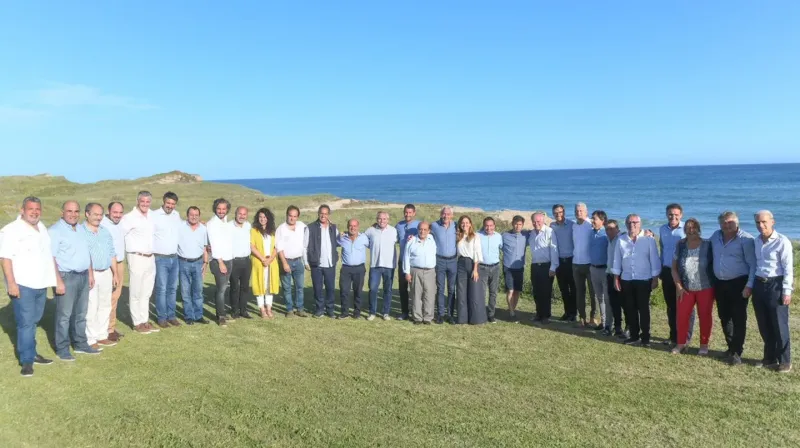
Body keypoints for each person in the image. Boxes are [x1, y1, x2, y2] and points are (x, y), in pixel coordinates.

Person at [0, 197, 59, 377]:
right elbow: (5, 258)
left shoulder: (42, 228)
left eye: (37, 209)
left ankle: (32, 353)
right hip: (23, 285)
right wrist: (11, 283)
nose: (34, 212)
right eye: (30, 209)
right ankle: (26, 361)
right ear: (22, 210)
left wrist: (55, 280)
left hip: (40, 284)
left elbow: (48, 256)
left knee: (34, 320)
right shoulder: (11, 230)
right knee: (26, 323)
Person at [50, 200, 102, 359]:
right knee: (64, 316)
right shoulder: (54, 231)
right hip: (66, 277)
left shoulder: (80, 229)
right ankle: (62, 348)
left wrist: (90, 273)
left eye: (76, 211)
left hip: (83, 276)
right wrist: (58, 280)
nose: (73, 214)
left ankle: (80, 344)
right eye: (69, 211)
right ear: (62, 212)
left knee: (81, 313)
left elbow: (87, 253)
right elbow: (50, 257)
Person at [710, 211, 756, 365]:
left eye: (730, 222)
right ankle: (730, 348)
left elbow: (753, 265)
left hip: (739, 283)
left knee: (738, 318)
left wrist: (749, 285)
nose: (727, 225)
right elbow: (703, 246)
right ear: (720, 224)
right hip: (720, 283)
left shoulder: (746, 239)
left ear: (737, 223)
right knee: (724, 316)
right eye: (724, 222)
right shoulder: (715, 236)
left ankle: (737, 352)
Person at [752, 210, 793, 373]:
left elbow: (788, 268)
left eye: (764, 222)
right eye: (758, 222)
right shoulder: (756, 241)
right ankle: (769, 358)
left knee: (779, 324)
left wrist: (786, 290)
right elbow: (754, 265)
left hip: (776, 284)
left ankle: (785, 361)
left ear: (772, 222)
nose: (761, 225)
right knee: (764, 324)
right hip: (759, 284)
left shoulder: (782, 241)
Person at [611, 214, 660, 346]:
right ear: (625, 224)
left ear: (640, 224)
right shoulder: (621, 240)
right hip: (626, 278)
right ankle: (634, 335)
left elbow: (654, 260)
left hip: (644, 279)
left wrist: (655, 278)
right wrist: (616, 278)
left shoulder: (648, 239)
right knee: (630, 308)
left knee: (643, 309)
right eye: (629, 222)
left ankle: (645, 337)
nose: (632, 225)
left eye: (635, 222)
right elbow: (617, 260)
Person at [671, 218, 716, 356]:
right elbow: (673, 268)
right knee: (682, 317)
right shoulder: (680, 245)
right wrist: (678, 286)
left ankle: (703, 345)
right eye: (688, 228)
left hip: (706, 288)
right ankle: (681, 344)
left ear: (699, 229)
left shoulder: (708, 245)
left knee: (705, 317)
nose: (691, 230)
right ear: (684, 230)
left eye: (694, 227)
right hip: (685, 288)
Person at [120, 191, 159, 334]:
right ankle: (137, 322)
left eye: (148, 202)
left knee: (147, 292)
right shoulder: (129, 218)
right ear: (137, 201)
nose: (145, 204)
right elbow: (119, 235)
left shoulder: (152, 216)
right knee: (136, 291)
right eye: (142, 201)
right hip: (136, 257)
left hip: (150, 257)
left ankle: (145, 321)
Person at [82, 203, 120, 348]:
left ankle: (102, 335)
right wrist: (89, 273)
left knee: (105, 305)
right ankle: (90, 338)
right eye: (95, 214)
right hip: (91, 273)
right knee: (92, 306)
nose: (98, 218)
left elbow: (111, 253)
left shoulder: (105, 232)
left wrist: (115, 273)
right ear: (87, 214)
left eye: (100, 215)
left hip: (106, 272)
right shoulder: (81, 231)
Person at [659, 203, 694, 346]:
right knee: (671, 306)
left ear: (681, 215)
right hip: (667, 271)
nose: (673, 217)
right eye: (670, 214)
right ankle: (673, 336)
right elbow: (662, 248)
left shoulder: (688, 229)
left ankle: (685, 338)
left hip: (683, 272)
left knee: (686, 306)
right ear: (666, 214)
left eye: (676, 214)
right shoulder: (662, 229)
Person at [152, 191, 182, 328]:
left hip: (174, 258)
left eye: (173, 204)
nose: (170, 206)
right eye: (168, 203)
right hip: (160, 258)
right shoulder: (154, 215)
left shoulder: (177, 216)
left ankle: (172, 316)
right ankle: (162, 318)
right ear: (163, 202)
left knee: (172, 289)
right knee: (161, 289)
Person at [177, 206, 209, 325]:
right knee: (185, 291)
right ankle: (189, 316)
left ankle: (198, 315)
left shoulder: (203, 229)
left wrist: (205, 263)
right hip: (183, 262)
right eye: (191, 214)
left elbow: (205, 248)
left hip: (198, 262)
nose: (194, 217)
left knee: (198, 291)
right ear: (187, 215)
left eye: (196, 215)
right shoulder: (180, 227)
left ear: (199, 216)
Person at [276, 205, 309, 317]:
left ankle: (300, 308)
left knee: (299, 287)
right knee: (287, 288)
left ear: (297, 217)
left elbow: (311, 233)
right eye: (290, 215)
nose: (292, 218)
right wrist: (284, 263)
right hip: (286, 261)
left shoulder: (302, 226)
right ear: (287, 215)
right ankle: (289, 310)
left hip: (298, 261)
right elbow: (279, 248)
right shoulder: (281, 228)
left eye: (295, 216)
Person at [364, 211, 398, 321]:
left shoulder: (393, 231)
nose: (382, 221)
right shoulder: (371, 230)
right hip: (375, 265)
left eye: (384, 219)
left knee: (387, 290)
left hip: (389, 265)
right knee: (373, 289)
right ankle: (372, 312)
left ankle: (385, 312)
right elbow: (363, 239)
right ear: (376, 219)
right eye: (379, 218)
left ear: (388, 220)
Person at [206, 198, 235, 326]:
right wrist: (221, 262)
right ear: (215, 209)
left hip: (229, 259)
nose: (221, 211)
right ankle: (221, 317)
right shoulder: (212, 224)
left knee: (222, 288)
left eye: (224, 209)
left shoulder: (225, 221)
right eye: (219, 209)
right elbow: (214, 244)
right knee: (221, 289)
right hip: (219, 261)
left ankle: (221, 312)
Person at [307, 205, 339, 318]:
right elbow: (305, 246)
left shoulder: (333, 228)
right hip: (317, 263)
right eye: (321, 213)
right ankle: (319, 309)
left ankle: (330, 310)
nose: (323, 215)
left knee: (330, 288)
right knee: (318, 288)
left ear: (328, 215)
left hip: (330, 263)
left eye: (325, 214)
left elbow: (338, 241)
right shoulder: (310, 227)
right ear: (318, 213)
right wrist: (307, 262)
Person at [403, 221, 438, 324]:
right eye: (420, 229)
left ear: (429, 231)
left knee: (429, 295)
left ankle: (428, 317)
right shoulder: (411, 241)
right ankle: (417, 317)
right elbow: (406, 257)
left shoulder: (431, 239)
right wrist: (407, 272)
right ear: (417, 230)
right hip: (415, 271)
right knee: (416, 295)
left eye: (425, 229)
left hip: (430, 271)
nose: (422, 231)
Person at [101, 201, 125, 341]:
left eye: (120, 212)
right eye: (115, 212)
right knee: (108, 298)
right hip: (110, 265)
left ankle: (111, 327)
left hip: (120, 263)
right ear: (109, 211)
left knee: (115, 297)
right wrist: (114, 271)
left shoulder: (120, 223)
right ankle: (105, 329)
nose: (118, 215)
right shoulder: (103, 224)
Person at [455, 215, 487, 325]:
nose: (465, 224)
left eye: (467, 222)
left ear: (470, 224)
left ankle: (476, 319)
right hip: (460, 264)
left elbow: (477, 252)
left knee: (474, 292)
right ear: (460, 224)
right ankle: (462, 319)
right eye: (462, 222)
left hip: (472, 264)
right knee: (461, 292)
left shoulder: (475, 236)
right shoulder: (458, 236)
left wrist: (475, 269)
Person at [527, 212, 558, 323]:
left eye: (538, 221)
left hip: (546, 266)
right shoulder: (531, 234)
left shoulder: (549, 232)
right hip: (535, 265)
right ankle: (538, 314)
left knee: (545, 292)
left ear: (543, 221)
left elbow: (554, 249)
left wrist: (553, 267)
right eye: (534, 222)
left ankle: (546, 316)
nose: (536, 224)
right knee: (536, 291)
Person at [249, 208, 279, 319]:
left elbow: (276, 247)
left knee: (269, 286)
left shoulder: (273, 231)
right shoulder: (253, 231)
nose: (262, 219)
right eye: (260, 217)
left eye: (265, 217)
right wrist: (262, 259)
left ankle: (269, 308)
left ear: (268, 218)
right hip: (258, 261)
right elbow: (252, 246)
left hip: (271, 262)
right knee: (259, 285)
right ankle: (261, 309)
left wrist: (270, 259)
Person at [337, 219, 369, 319]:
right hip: (346, 268)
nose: (353, 228)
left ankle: (357, 312)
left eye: (355, 226)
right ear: (347, 226)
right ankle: (345, 312)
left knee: (358, 291)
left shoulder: (364, 237)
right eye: (351, 225)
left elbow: (374, 245)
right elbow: (333, 242)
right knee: (344, 291)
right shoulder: (342, 238)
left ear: (358, 227)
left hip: (359, 268)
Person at [430, 206, 457, 323]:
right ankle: (440, 314)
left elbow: (469, 229)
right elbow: (424, 231)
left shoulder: (456, 225)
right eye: (444, 214)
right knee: (440, 288)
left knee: (451, 289)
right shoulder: (434, 226)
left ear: (452, 215)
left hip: (453, 261)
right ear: (441, 214)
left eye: (448, 214)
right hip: (439, 261)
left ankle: (450, 314)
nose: (446, 216)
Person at [551, 204, 577, 322]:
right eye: (555, 213)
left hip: (571, 260)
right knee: (563, 289)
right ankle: (567, 312)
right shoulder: (552, 226)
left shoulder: (572, 225)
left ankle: (574, 313)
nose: (558, 215)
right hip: (559, 261)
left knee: (573, 288)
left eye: (560, 212)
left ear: (564, 212)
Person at [571, 203, 596, 326]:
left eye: (581, 210)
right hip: (576, 264)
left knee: (593, 293)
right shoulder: (573, 226)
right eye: (577, 210)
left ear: (586, 212)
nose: (578, 212)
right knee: (579, 292)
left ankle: (593, 317)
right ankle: (582, 317)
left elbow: (606, 228)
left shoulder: (591, 225)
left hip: (589, 264)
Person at [588, 210, 612, 334]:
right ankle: (603, 323)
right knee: (600, 298)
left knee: (607, 298)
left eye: (595, 219)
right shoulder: (592, 233)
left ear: (602, 221)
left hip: (604, 270)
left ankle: (609, 324)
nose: (592, 221)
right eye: (592, 218)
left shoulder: (606, 234)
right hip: (593, 268)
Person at [395, 204, 420, 320]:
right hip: (402, 262)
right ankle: (405, 312)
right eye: (406, 212)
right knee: (402, 288)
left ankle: (417, 313)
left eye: (410, 212)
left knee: (416, 289)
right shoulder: (399, 226)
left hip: (415, 262)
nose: (407, 215)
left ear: (414, 213)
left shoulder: (419, 225)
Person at [502, 215, 527, 321]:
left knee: (517, 291)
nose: (518, 226)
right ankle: (511, 312)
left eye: (520, 224)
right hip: (508, 267)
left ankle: (513, 309)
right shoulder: (504, 235)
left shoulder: (526, 235)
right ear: (512, 224)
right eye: (516, 224)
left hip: (520, 267)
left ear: (522, 225)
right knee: (510, 290)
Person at [604, 219, 627, 338]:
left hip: (620, 275)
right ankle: (617, 327)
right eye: (607, 229)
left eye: (612, 228)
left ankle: (629, 327)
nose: (609, 231)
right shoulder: (609, 239)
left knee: (625, 303)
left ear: (617, 228)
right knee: (614, 303)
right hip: (609, 274)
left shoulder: (622, 238)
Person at [229, 206, 253, 318]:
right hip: (234, 261)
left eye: (244, 214)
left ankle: (243, 310)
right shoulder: (229, 226)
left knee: (245, 287)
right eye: (240, 213)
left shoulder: (248, 226)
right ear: (235, 213)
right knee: (234, 287)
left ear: (247, 216)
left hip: (247, 261)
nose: (242, 216)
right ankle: (234, 310)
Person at [478, 217, 503, 323]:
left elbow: (502, 248)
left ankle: (491, 314)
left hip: (495, 267)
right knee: (481, 292)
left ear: (494, 226)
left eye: (491, 225)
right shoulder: (478, 235)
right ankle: (481, 313)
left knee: (493, 292)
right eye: (486, 225)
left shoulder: (499, 236)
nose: (489, 228)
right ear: (484, 226)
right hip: (482, 267)